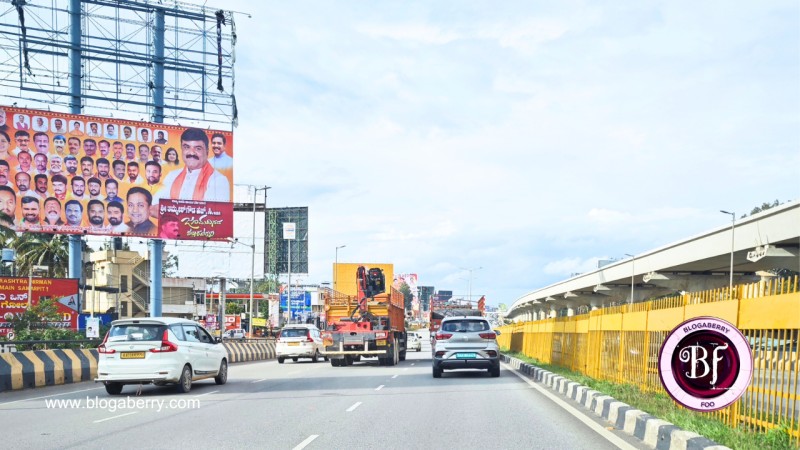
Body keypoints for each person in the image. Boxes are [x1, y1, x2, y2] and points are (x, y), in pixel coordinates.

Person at [158, 128, 230, 201]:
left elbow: (213, 211)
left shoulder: (218, 180)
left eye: (198, 148)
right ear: (182, 149)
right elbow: (156, 205)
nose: (191, 153)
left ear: (207, 152)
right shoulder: (172, 176)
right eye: (187, 147)